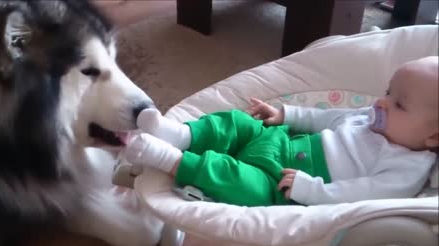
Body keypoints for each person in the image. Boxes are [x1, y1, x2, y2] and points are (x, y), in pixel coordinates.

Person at [124, 56, 439, 207]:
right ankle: (181, 135)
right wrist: (285, 114)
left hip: (283, 183)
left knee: (238, 181)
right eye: (387, 91)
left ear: (433, 136)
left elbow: (365, 195)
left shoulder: (406, 166)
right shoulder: (369, 117)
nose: (382, 102)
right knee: (238, 123)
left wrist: (313, 190)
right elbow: (328, 118)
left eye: (399, 104)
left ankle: (172, 158)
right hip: (280, 139)